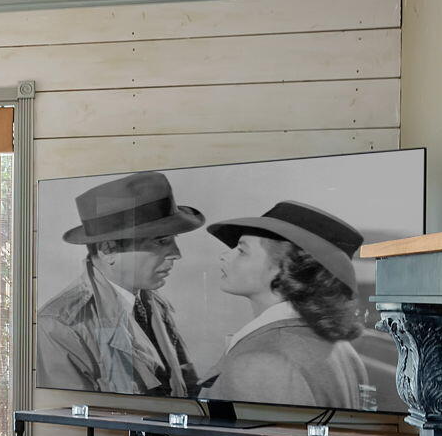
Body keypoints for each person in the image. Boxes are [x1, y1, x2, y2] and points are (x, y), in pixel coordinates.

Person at [37, 171, 204, 396]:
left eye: (173, 240)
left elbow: (187, 388)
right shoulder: (62, 326)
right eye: (161, 241)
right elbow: (71, 419)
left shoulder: (154, 307)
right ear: (109, 250)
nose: (176, 253)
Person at [204, 201, 371, 409]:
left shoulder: (263, 361)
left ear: (284, 267)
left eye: (241, 250)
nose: (225, 255)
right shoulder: (340, 348)